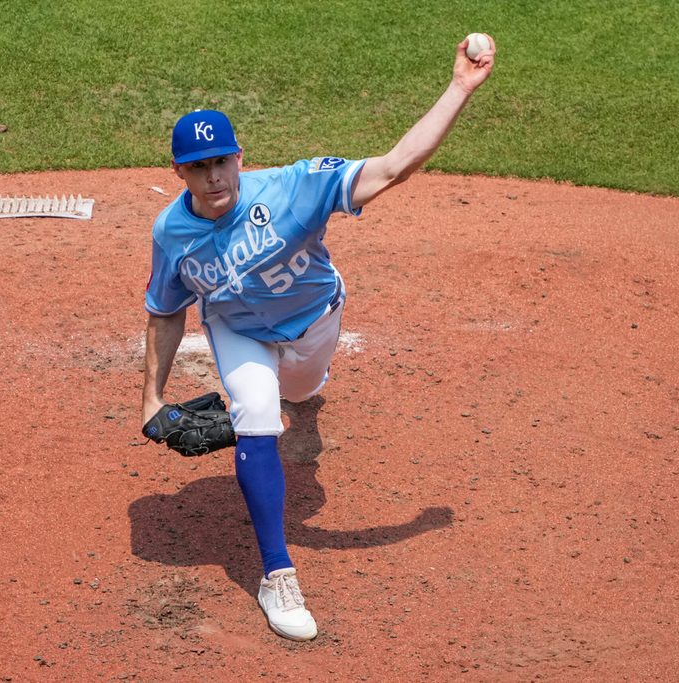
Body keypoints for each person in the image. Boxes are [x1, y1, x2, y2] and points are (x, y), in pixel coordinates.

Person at [141, 36, 496, 641]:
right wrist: (149, 397)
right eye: (198, 166)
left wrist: (460, 86)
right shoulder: (171, 231)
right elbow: (165, 310)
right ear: (177, 171)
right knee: (257, 410)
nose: (213, 175)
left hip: (315, 321)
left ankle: (304, 395)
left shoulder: (294, 187)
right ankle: (277, 573)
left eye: (221, 161)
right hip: (237, 329)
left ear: (239, 157)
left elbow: (391, 168)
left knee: (301, 391)